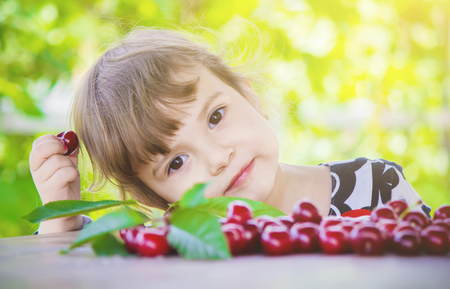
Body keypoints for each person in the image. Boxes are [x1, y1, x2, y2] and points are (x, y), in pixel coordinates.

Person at [29, 28, 431, 234]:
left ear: (248, 94)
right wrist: (59, 222)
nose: (219, 159)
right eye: (176, 163)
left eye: (216, 117)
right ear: (159, 198)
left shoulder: (377, 188)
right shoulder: (177, 248)